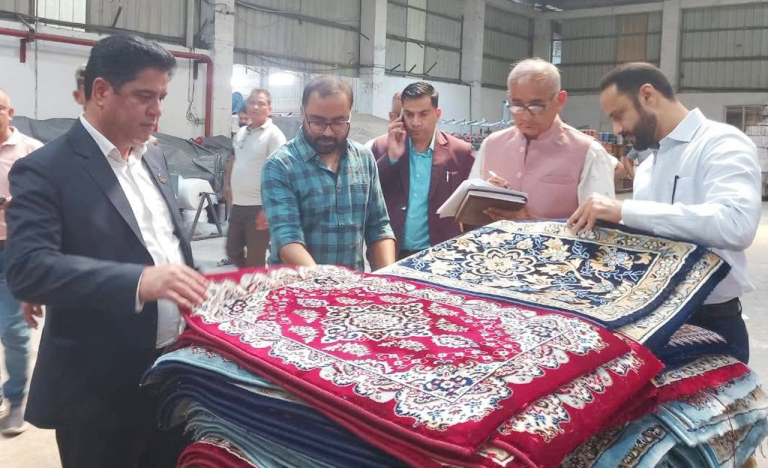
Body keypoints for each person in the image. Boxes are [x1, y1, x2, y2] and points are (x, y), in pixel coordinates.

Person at [5, 34, 208, 467]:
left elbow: (165, 246)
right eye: (144, 96)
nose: (157, 110)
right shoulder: (45, 169)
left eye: (162, 97)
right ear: (101, 91)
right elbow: (28, 268)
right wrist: (140, 280)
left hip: (172, 372)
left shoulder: (153, 159)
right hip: (99, 390)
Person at [568, 62, 762, 364]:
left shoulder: (721, 143)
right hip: (654, 322)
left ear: (647, 96)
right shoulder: (647, 169)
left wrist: (626, 210)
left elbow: (736, 223)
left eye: (619, 115)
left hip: (712, 323)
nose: (617, 129)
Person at [261, 76, 396, 271]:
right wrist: (327, 283)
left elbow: (379, 227)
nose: (328, 132)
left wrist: (388, 276)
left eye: (338, 122)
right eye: (317, 122)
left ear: (349, 116)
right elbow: (287, 239)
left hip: (351, 284)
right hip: (296, 285)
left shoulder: (364, 159)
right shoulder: (280, 165)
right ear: (302, 113)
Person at [469, 58, 616, 221]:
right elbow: (468, 208)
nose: (526, 116)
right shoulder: (491, 145)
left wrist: (533, 222)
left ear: (560, 100)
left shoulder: (588, 152)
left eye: (536, 106)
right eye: (517, 105)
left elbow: (602, 228)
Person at [370, 83, 474, 259]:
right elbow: (368, 196)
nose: (415, 122)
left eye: (423, 114)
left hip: (441, 257)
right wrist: (391, 158)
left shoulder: (460, 152)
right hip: (391, 256)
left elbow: (470, 211)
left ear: (437, 114)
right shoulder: (382, 147)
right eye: (409, 114)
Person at [0, 88, 42, 436]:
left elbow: (49, 201)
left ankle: (16, 399)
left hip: (13, 250)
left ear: (10, 112)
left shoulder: (31, 150)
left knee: (13, 329)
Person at [224, 88, 286, 267]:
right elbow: (234, 159)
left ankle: (255, 282)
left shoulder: (274, 135)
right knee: (232, 250)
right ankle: (251, 278)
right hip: (238, 205)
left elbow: (279, 174)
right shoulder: (242, 133)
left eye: (261, 103)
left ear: (269, 109)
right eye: (252, 102)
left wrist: (268, 208)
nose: (256, 107)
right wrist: (227, 184)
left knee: (255, 259)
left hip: (259, 206)